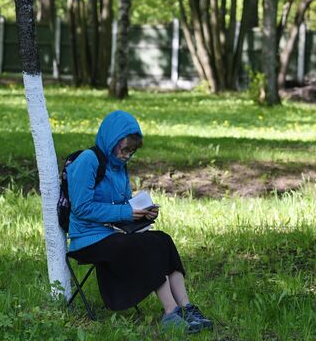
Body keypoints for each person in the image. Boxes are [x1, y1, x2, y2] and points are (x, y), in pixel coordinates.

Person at [66, 110, 212, 334]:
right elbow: (82, 207)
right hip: (88, 238)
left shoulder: (120, 168)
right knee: (142, 246)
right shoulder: (89, 160)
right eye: (124, 149)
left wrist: (142, 213)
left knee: (163, 240)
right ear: (111, 141)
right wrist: (125, 213)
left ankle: (187, 308)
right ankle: (170, 312)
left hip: (115, 233)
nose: (127, 156)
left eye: (131, 152)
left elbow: (124, 205)